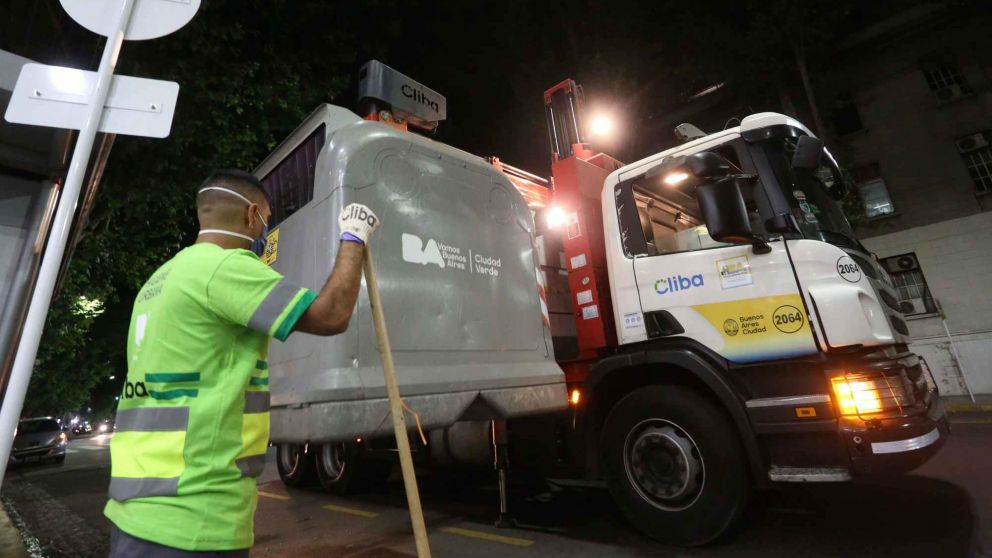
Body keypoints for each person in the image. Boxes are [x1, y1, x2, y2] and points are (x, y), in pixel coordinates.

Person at [104, 169, 379, 556]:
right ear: (252, 215)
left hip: (135, 513)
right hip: (194, 518)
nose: (265, 231)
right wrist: (354, 236)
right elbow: (331, 315)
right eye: (267, 219)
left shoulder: (159, 280)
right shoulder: (225, 267)